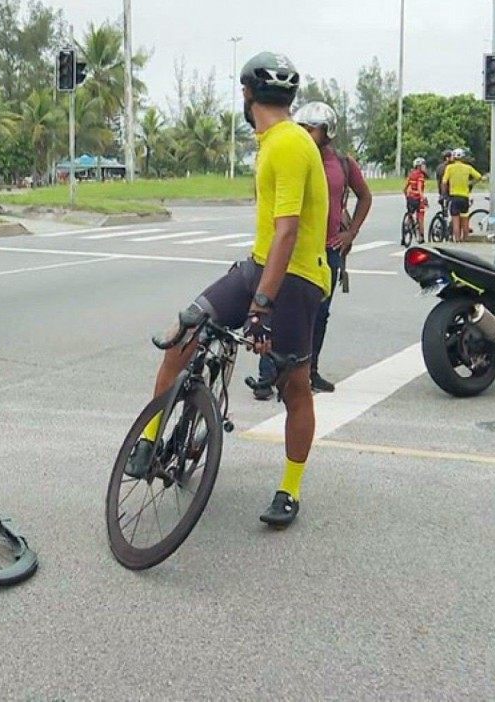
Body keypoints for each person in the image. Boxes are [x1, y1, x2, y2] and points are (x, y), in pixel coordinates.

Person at [124, 52, 329, 528]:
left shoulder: (290, 145)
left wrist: (261, 307)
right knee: (184, 330)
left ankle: (290, 489)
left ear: (247, 94)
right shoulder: (273, 142)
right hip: (256, 266)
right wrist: (255, 290)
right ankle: (151, 436)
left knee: (293, 385)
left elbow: (289, 232)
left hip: (296, 280)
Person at [254, 101, 372, 398]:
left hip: (326, 252)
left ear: (327, 132)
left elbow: (365, 197)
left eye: (312, 129)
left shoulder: (342, 164)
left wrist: (350, 233)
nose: (306, 133)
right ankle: (267, 376)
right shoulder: (291, 154)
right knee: (273, 309)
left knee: (319, 314)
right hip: (290, 250)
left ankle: (309, 371)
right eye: (302, 127)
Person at [442, 149, 482, 243]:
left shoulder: (449, 168)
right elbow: (479, 177)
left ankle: (457, 240)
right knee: (465, 221)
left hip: (454, 197)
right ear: (463, 157)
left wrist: (444, 194)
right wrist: (471, 183)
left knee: (455, 221)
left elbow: (444, 182)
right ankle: (465, 240)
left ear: (454, 157)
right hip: (464, 197)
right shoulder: (467, 168)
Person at [404, 157, 429, 240]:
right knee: (420, 217)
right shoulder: (420, 176)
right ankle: (421, 237)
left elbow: (405, 188)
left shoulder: (411, 174)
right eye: (423, 165)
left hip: (410, 197)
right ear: (419, 166)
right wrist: (423, 198)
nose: (425, 167)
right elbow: (419, 188)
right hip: (418, 198)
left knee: (410, 213)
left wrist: (406, 196)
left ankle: (406, 228)